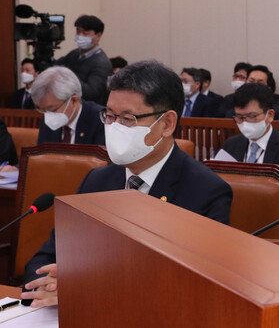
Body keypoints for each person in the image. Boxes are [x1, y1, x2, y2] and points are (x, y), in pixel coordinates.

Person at [22, 60, 233, 308]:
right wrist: (51, 283)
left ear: (167, 124)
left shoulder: (206, 191)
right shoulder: (97, 180)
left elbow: (195, 288)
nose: (114, 127)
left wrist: (86, 289)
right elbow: (47, 256)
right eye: (109, 116)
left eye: (128, 118)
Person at [216, 83, 279, 173]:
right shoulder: (231, 144)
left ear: (270, 115)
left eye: (252, 116)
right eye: (239, 117)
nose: (245, 122)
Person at [31, 66, 105, 146]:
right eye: (43, 110)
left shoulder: (100, 121)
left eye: (52, 109)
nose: (47, 115)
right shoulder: (48, 123)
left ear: (74, 100)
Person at [54, 15, 113, 105]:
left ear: (98, 35)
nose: (80, 36)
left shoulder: (102, 63)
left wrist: (67, 74)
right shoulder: (74, 54)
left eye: (85, 33)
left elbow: (91, 93)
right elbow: (54, 66)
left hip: (88, 111)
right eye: (78, 31)